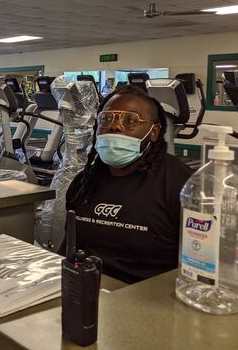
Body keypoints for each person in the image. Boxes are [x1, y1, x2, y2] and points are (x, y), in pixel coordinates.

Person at [65, 85, 193, 284]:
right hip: (85, 291)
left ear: (154, 132)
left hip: (146, 301)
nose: (114, 126)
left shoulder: (182, 185)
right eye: (106, 118)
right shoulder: (83, 184)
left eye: (130, 120)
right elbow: (68, 248)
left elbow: (201, 263)